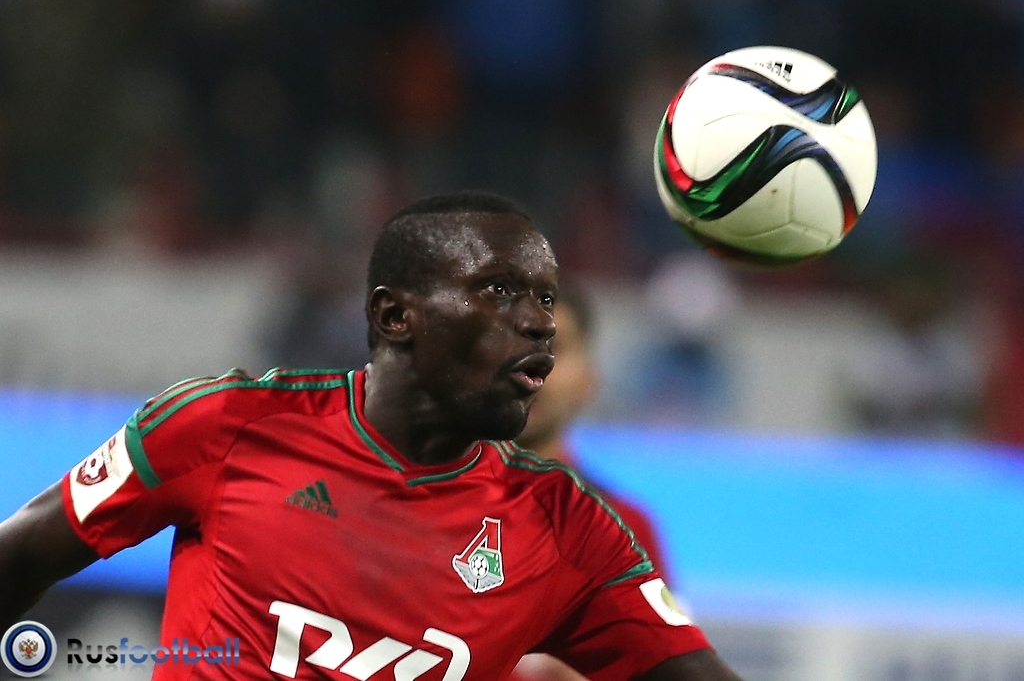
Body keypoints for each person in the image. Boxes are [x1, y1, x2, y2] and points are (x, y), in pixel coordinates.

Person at [0, 192, 742, 681]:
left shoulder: (570, 529)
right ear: (395, 316)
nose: (538, 324)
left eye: (545, 301)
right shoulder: (227, 426)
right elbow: (24, 552)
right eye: (499, 292)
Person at [511, 284, 677, 681]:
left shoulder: (627, 529)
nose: (530, 368)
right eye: (511, 345)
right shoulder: (418, 507)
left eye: (554, 348)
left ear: (589, 379)